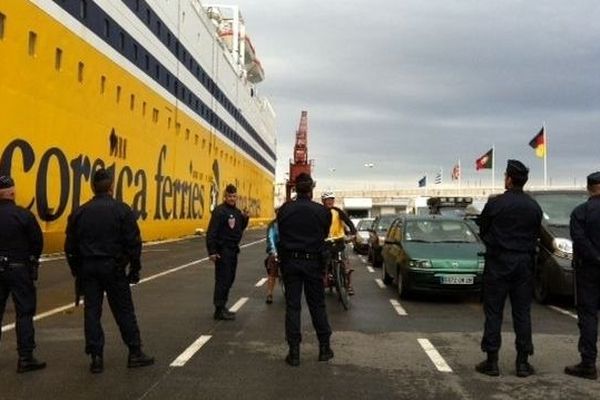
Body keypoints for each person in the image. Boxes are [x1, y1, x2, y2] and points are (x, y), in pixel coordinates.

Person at [64, 169, 154, 374]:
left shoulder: (79, 212)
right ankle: (135, 352)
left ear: (92, 187)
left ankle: (96, 358)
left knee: (92, 312)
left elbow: (70, 246)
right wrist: (134, 268)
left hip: (88, 268)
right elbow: (133, 243)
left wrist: (77, 270)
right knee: (123, 310)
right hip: (113, 268)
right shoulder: (122, 210)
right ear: (111, 186)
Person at [475, 160, 542, 378]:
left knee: (493, 312)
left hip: (498, 262)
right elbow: (536, 233)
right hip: (524, 263)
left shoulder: (496, 204)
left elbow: (482, 228)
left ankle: (492, 361)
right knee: (522, 313)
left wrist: (496, 243)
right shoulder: (534, 207)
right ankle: (522, 362)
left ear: (509, 179)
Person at [277, 173, 333, 366]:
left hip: (291, 262)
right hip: (313, 262)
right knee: (317, 305)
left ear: (295, 189)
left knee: (293, 307)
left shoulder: (284, 210)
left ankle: (294, 353)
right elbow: (324, 234)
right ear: (311, 189)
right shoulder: (322, 212)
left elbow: (281, 235)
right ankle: (324, 348)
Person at [0, 176, 46, 373]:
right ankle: (25, 357)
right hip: (19, 268)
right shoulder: (24, 215)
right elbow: (37, 243)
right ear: (12, 192)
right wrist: (32, 259)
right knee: (24, 312)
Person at [565, 171, 600, 380]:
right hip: (590, 266)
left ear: (589, 188)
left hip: (588, 270)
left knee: (588, 316)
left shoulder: (580, 212)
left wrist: (596, 257)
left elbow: (579, 240)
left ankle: (588, 363)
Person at [206, 184, 249, 320]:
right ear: (225, 196)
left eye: (234, 196)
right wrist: (212, 251)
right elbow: (211, 232)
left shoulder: (236, 212)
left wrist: (246, 218)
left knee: (230, 279)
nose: (232, 198)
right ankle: (218, 309)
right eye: (229, 196)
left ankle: (223, 306)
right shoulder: (219, 211)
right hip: (222, 250)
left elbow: (239, 228)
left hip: (233, 250)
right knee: (222, 280)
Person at [321, 191, 357, 294]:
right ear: (323, 201)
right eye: (328, 200)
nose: (330, 202)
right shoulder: (320, 212)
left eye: (332, 200)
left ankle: (349, 285)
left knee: (345, 261)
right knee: (324, 261)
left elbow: (348, 222)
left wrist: (353, 232)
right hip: (326, 242)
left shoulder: (337, 211)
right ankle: (324, 278)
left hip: (339, 240)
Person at [264, 218, 280, 304]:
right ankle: (269, 294)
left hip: (288, 249)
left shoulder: (290, 221)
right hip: (275, 250)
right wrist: (273, 251)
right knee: (272, 271)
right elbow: (270, 238)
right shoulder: (272, 225)